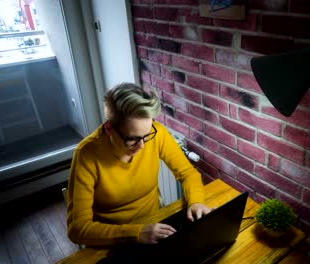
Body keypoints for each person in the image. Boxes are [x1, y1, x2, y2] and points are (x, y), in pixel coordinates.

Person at [66, 82, 212, 247]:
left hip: (155, 224)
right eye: (132, 139)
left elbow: (188, 174)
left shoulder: (157, 133)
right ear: (109, 128)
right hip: (113, 239)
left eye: (146, 135)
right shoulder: (86, 155)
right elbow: (77, 228)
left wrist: (196, 201)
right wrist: (135, 233)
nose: (142, 146)